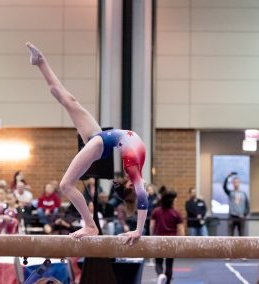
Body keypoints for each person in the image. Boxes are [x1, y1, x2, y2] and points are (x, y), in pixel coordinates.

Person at [26, 42, 148, 242]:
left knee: (65, 185)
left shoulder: (134, 174)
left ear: (130, 186)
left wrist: (138, 231)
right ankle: (40, 62)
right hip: (102, 141)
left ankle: (90, 225)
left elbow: (142, 198)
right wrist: (139, 230)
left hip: (101, 143)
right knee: (67, 99)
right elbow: (142, 199)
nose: (138, 183)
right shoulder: (135, 175)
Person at [150, 190, 184, 284]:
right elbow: (181, 230)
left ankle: (160, 275)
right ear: (172, 201)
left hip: (159, 240)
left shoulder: (156, 211)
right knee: (169, 264)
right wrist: (182, 243)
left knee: (158, 262)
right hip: (171, 241)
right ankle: (167, 282)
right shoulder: (176, 213)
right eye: (175, 200)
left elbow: (152, 227)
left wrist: (151, 238)